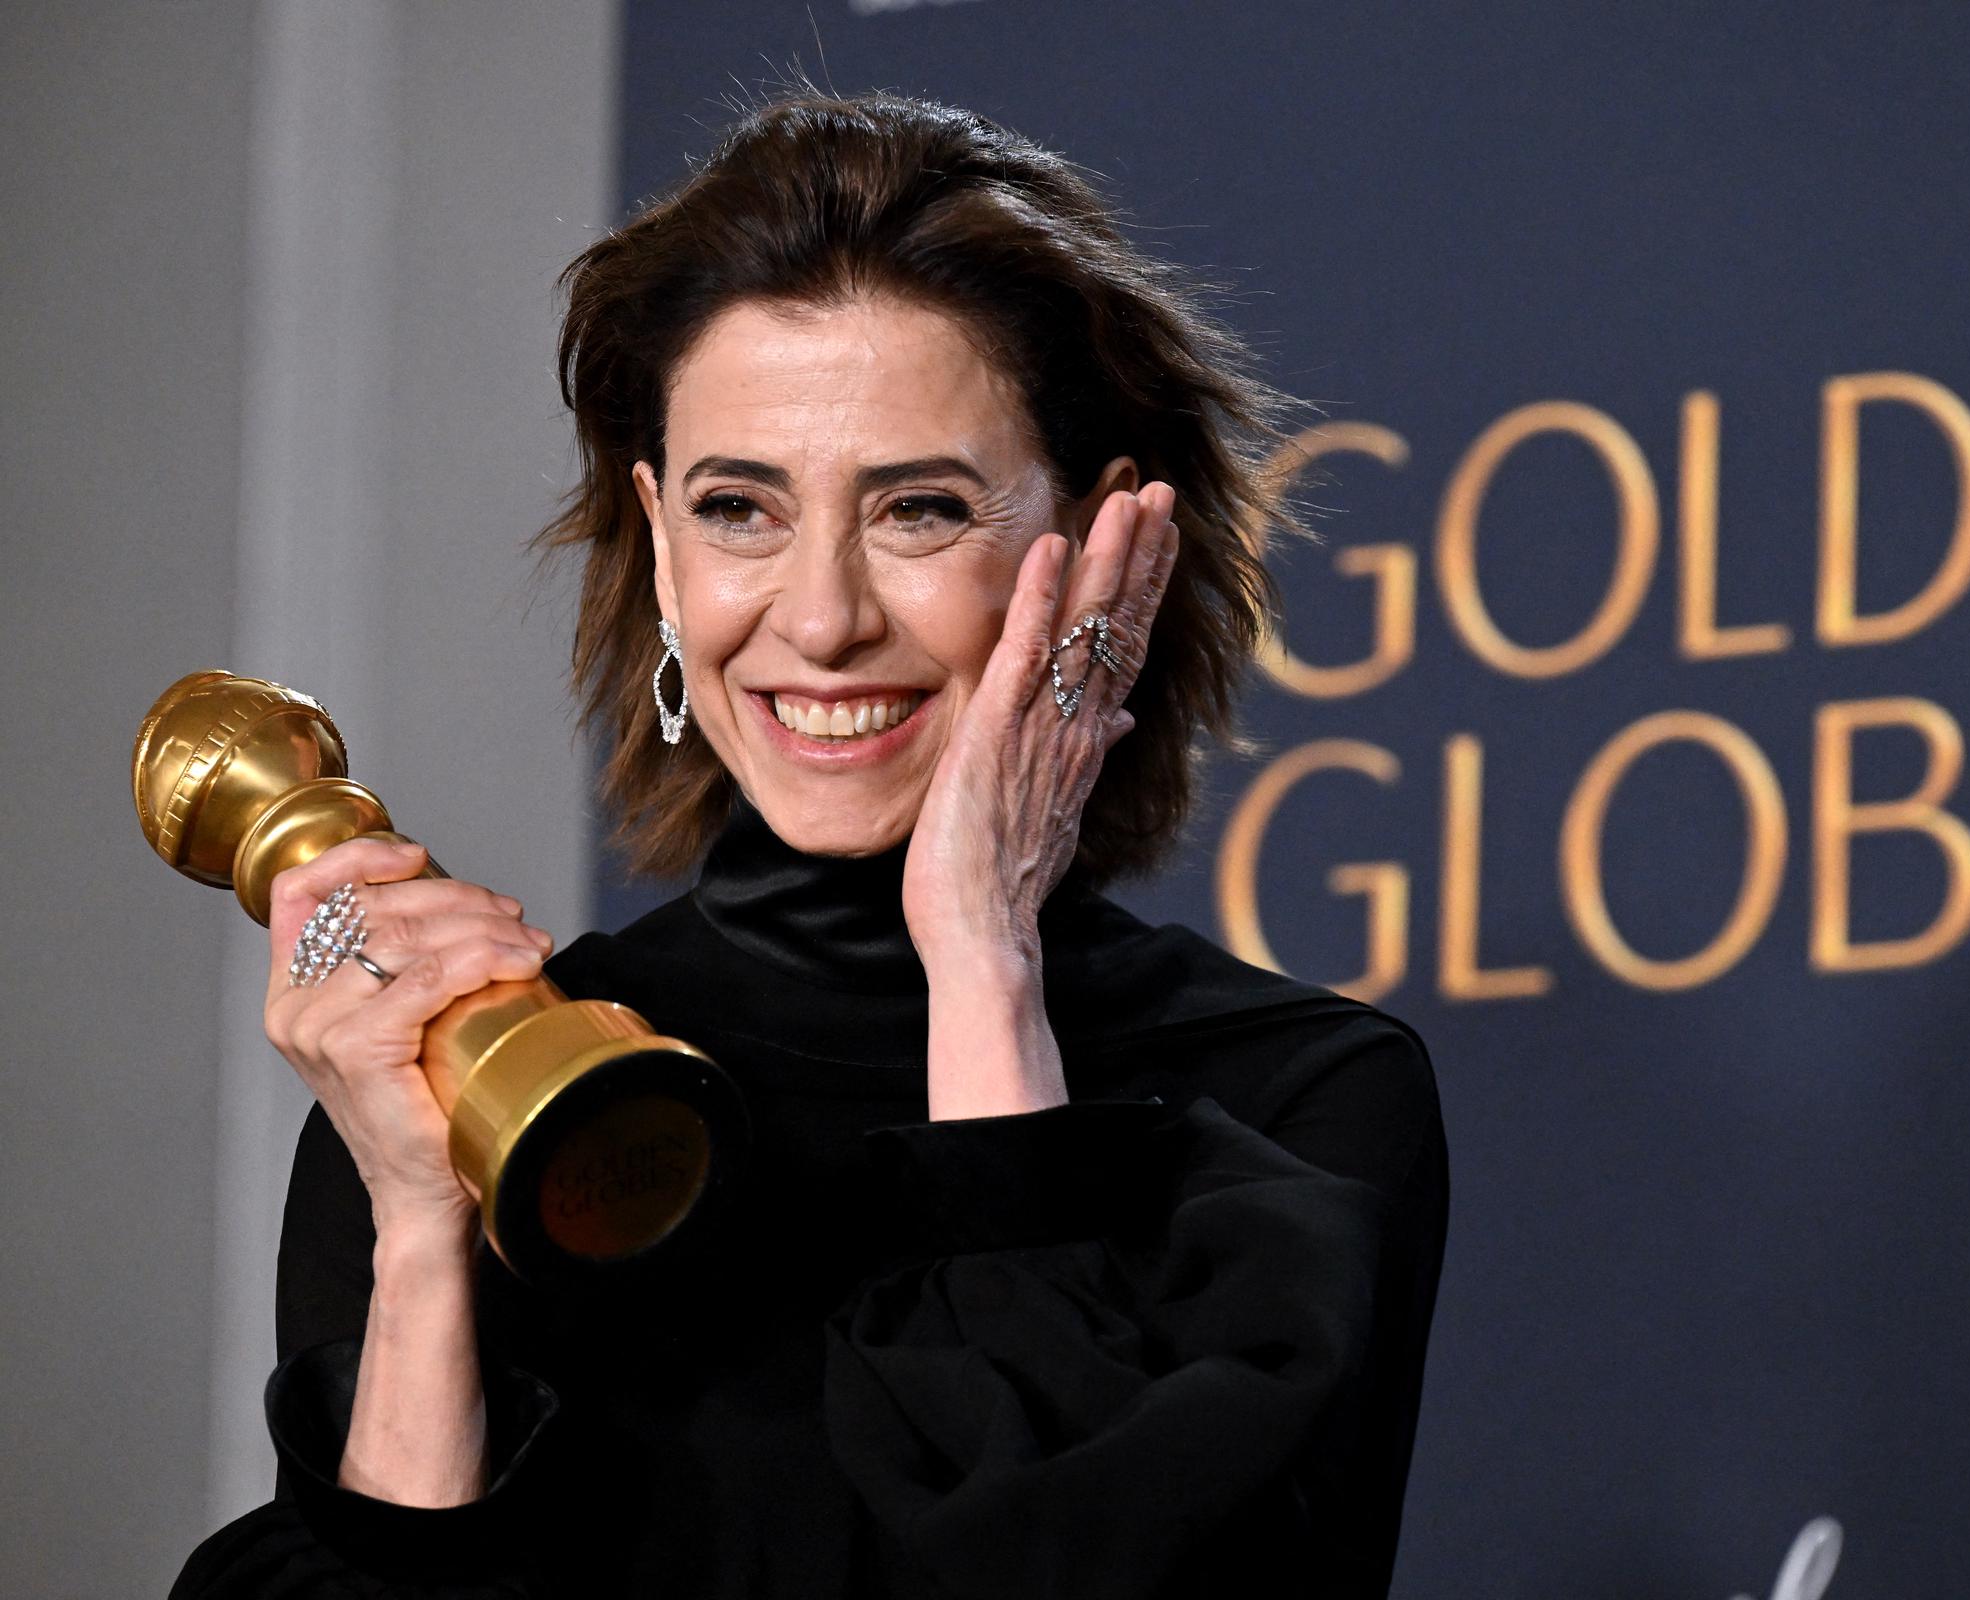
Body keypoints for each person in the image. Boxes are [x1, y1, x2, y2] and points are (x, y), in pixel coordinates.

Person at [171, 89, 1447, 1600]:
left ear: (1103, 546)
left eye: (919, 510)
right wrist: (424, 1235)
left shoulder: (1301, 1104)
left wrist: (981, 962)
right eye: (739, 509)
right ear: (659, 545)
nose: (824, 616)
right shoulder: (476, 1102)